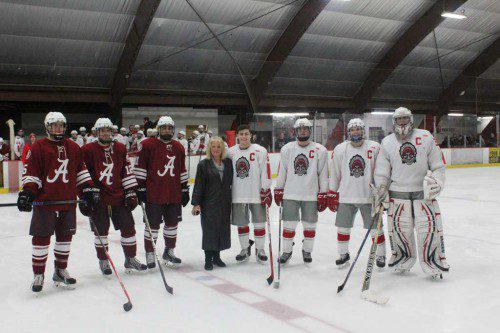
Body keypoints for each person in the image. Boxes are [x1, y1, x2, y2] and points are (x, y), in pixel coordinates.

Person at [17, 112, 100, 292]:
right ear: (47, 127)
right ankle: (38, 274)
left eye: (61, 125)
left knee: (64, 238)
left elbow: (81, 171)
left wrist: (87, 189)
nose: (58, 129)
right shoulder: (38, 146)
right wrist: (28, 192)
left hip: (67, 202)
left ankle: (60, 270)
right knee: (41, 239)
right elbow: (31, 172)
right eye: (55, 125)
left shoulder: (73, 147)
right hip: (45, 203)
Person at [372, 107, 449, 278]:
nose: (402, 122)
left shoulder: (426, 136)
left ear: (411, 119)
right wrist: (382, 188)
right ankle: (402, 258)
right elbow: (382, 171)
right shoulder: (387, 142)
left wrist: (438, 181)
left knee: (427, 229)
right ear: (394, 121)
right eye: (399, 119)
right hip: (397, 192)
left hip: (423, 192)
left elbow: (438, 165)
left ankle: (433, 260)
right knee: (400, 229)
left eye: (405, 119)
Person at [81, 118, 147, 275]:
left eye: (108, 131)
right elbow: (82, 172)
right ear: (97, 132)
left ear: (113, 132)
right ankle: (103, 261)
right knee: (101, 231)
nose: (106, 133)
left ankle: (130, 258)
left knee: (128, 228)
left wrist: (131, 191)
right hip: (98, 199)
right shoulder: (88, 149)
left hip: (119, 196)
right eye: (102, 131)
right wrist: (85, 194)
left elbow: (126, 170)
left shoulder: (119, 148)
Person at [328, 118, 386, 268]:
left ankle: (380, 255)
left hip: (369, 197)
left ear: (363, 131)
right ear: (348, 132)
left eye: (358, 129)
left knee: (375, 229)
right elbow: (335, 172)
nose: (355, 132)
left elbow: (381, 172)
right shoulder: (341, 149)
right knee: (343, 227)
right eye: (352, 129)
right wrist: (332, 192)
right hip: (346, 196)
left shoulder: (375, 147)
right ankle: (343, 254)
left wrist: (381, 193)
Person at [134, 116, 190, 268]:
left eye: (169, 128)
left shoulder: (179, 147)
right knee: (152, 225)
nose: (166, 130)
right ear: (158, 129)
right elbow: (140, 168)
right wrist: (140, 188)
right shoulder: (147, 144)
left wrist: (184, 188)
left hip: (173, 193)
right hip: (154, 193)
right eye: (163, 128)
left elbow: (182, 169)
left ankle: (169, 251)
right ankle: (150, 252)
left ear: (173, 129)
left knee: (172, 224)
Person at [274, 118, 328, 264]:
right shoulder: (287, 149)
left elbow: (323, 173)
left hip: (311, 195)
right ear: (295, 131)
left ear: (310, 131)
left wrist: (323, 192)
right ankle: (287, 251)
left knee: (310, 226)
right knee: (289, 225)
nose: (303, 131)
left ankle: (307, 250)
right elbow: (282, 171)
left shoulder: (319, 150)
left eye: (305, 129)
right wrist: (279, 189)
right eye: (300, 129)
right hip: (291, 193)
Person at [227, 124, 271, 263]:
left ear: (251, 135)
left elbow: (265, 171)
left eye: (247, 134)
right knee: (242, 224)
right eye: (242, 134)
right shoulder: (230, 152)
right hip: (237, 194)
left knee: (259, 223)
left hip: (256, 194)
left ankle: (260, 249)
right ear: (237, 136)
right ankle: (245, 249)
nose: (244, 136)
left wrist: (266, 189)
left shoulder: (260, 150)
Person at [191, 137, 233, 270]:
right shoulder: (204, 164)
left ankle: (217, 257)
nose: (216, 149)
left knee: (221, 228)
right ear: (210, 148)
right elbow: (198, 185)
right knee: (209, 230)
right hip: (209, 202)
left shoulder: (228, 163)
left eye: (218, 147)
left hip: (224, 202)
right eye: (213, 146)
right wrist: (196, 203)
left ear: (222, 149)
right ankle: (208, 259)